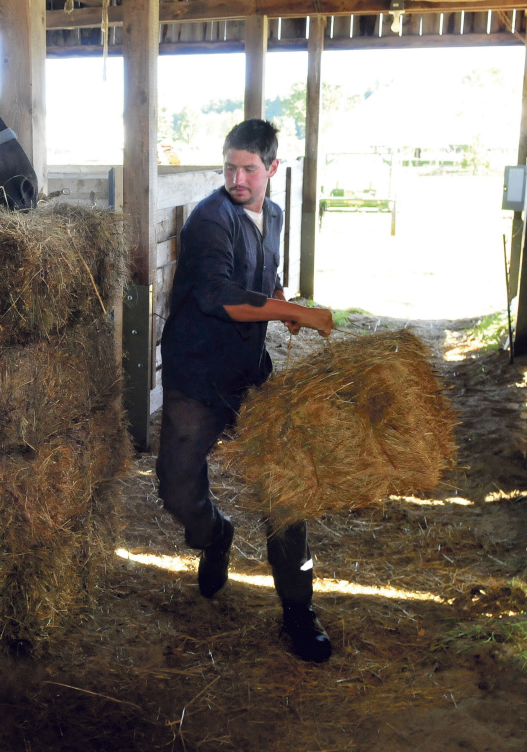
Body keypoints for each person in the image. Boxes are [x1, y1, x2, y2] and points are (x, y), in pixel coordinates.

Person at [157, 119, 336, 663]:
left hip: (251, 373)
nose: (237, 178)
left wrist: (280, 301)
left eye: (248, 169)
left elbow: (262, 277)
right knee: (176, 491)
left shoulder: (274, 216)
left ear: (272, 169)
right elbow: (220, 297)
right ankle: (214, 535)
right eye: (229, 167)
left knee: (285, 485)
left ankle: (298, 609)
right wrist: (296, 311)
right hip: (198, 376)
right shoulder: (210, 221)